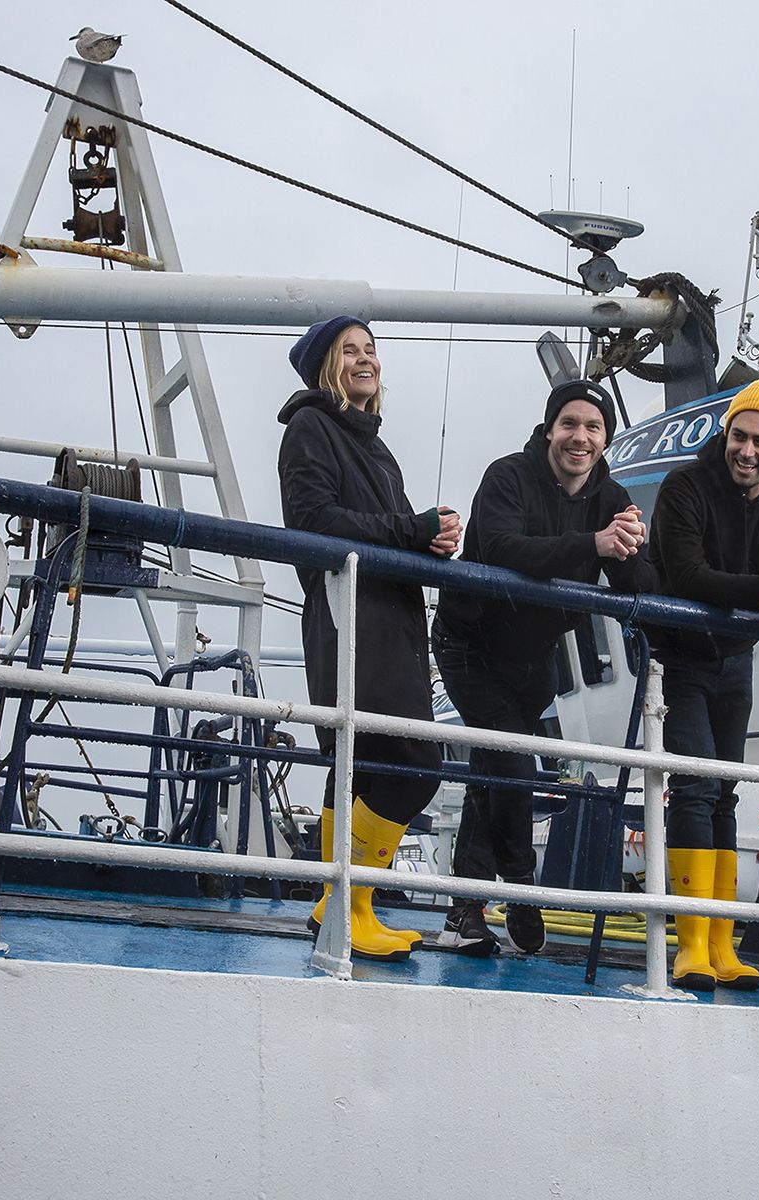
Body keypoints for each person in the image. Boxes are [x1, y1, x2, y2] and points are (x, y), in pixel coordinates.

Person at [432, 379, 658, 956]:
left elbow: (637, 581)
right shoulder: (507, 476)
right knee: (507, 755)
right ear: (550, 429)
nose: (580, 438)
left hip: (534, 657)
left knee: (493, 768)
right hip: (470, 644)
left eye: (593, 428)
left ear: (605, 438)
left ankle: (464, 912)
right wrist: (596, 545)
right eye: (570, 424)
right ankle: (521, 884)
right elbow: (506, 549)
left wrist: (634, 547)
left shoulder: (612, 498)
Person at [277, 315, 461, 962]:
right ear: (326, 366)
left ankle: (350, 907)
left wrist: (431, 540)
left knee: (356, 772)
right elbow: (313, 519)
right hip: (349, 618)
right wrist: (410, 532)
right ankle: (340, 902)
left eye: (371, 350)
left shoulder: (374, 445)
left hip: (389, 622)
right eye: (350, 350)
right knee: (411, 765)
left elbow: (387, 526)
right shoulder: (310, 427)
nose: (365, 359)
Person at [649, 373, 759, 990]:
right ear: (726, 431)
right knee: (697, 789)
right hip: (683, 658)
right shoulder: (684, 488)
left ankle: (723, 946)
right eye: (740, 435)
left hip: (736, 663)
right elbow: (686, 575)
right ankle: (690, 944)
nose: (747, 451)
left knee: (726, 793)